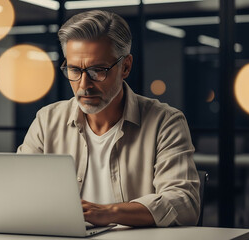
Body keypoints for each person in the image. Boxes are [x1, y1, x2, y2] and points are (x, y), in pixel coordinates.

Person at [17, 10, 200, 227]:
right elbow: (19, 191)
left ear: (126, 67)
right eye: (74, 70)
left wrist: (109, 213)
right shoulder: (47, 121)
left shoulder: (165, 122)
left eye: (98, 70)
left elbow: (184, 203)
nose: (84, 85)